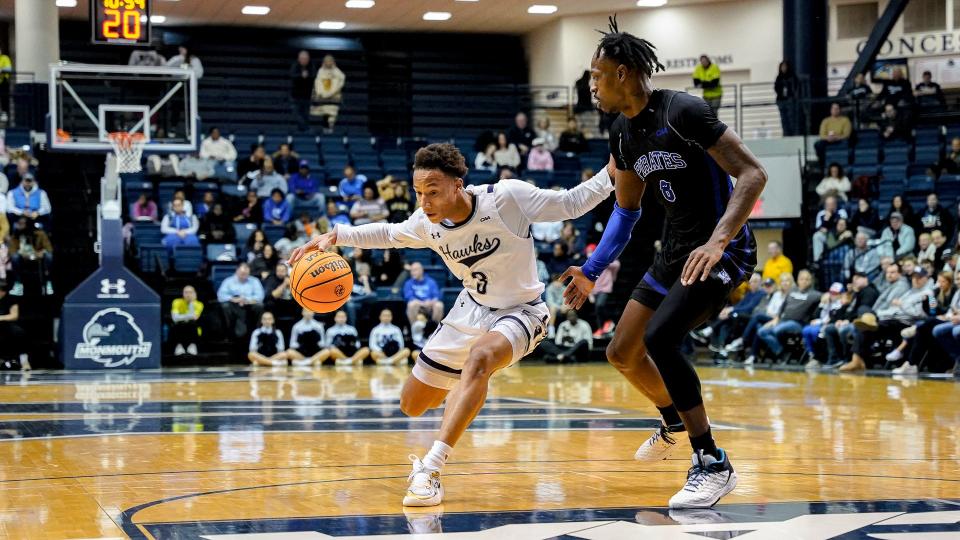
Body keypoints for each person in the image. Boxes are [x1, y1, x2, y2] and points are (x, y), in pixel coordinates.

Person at [288, 141, 614, 507]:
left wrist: (611, 171)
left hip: (522, 311)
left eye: (433, 192)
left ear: (458, 185)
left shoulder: (506, 199)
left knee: (480, 359)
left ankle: (431, 468)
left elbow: (571, 203)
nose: (424, 202)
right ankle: (465, 389)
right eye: (418, 193)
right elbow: (389, 234)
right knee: (412, 405)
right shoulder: (427, 224)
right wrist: (337, 236)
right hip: (469, 310)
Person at [562, 19, 766, 509]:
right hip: (674, 251)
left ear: (625, 73)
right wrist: (592, 271)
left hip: (723, 250)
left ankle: (712, 461)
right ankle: (674, 420)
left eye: (597, 75)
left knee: (661, 339)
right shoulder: (622, 133)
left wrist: (719, 240)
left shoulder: (684, 111)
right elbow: (626, 211)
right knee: (622, 351)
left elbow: (752, 174)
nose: (591, 85)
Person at [841, 266, 933, 371]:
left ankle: (858, 360)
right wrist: (879, 313)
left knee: (868, 321)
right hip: (892, 319)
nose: (915, 280)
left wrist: (902, 305)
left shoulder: (929, 294)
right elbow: (894, 309)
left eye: (919, 277)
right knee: (865, 326)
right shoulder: (910, 292)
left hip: (905, 323)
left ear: (926, 278)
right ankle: (857, 360)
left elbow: (925, 314)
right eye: (914, 277)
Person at [749, 269, 820, 364]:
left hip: (797, 323)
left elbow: (825, 295)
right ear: (798, 280)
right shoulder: (792, 291)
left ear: (810, 281)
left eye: (807, 279)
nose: (804, 281)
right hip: (782, 320)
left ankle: (783, 353)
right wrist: (776, 319)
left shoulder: (814, 294)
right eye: (802, 279)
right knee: (761, 331)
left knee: (776, 330)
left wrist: (826, 296)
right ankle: (781, 353)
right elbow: (782, 308)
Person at [819, 271, 880, 369]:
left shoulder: (869, 292)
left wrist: (848, 320)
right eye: (853, 280)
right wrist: (840, 320)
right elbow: (847, 310)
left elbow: (864, 311)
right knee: (829, 329)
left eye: (857, 279)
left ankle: (848, 359)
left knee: (844, 330)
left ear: (865, 279)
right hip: (849, 321)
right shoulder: (856, 293)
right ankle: (834, 359)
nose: (854, 282)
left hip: (861, 323)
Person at [217, 262, 265, 341]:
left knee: (259, 306)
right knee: (225, 306)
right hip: (233, 304)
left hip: (249, 304)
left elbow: (260, 296)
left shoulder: (255, 281)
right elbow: (221, 295)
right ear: (237, 271)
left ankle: (256, 334)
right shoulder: (228, 281)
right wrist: (234, 299)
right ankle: (229, 333)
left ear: (249, 272)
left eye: (246, 273)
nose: (244, 274)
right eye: (242, 273)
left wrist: (246, 300)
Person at [312, 55, 345, 133]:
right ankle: (325, 128)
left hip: (334, 96)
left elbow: (342, 79)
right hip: (323, 97)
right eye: (327, 61)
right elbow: (318, 82)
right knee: (325, 112)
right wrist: (320, 93)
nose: (328, 63)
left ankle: (331, 127)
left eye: (330, 61)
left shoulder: (336, 71)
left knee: (332, 113)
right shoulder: (321, 71)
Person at [812, 195, 849, 262]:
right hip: (828, 236)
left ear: (835, 204)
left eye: (831, 204)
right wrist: (826, 219)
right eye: (827, 204)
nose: (829, 206)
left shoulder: (841, 212)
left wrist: (832, 216)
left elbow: (842, 225)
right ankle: (817, 261)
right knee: (816, 236)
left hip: (839, 234)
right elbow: (819, 228)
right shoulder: (821, 213)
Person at [170, 285, 203, 356]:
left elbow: (194, 317)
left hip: (192, 328)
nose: (188, 294)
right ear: (183, 293)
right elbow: (175, 318)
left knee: (192, 323)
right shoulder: (176, 302)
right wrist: (187, 317)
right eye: (186, 292)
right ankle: (179, 346)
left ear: (195, 293)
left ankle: (192, 346)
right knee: (178, 324)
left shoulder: (199, 304)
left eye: (190, 292)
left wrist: (191, 303)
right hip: (179, 327)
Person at [0, 280, 26, 369]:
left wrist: (1, 318)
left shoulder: (11, 299)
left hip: (8, 325)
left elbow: (14, 315)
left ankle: (24, 361)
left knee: (18, 332)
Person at [290, 50, 316, 132]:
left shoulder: (311, 66)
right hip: (296, 95)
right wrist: (301, 76)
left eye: (306, 58)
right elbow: (293, 76)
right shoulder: (295, 66)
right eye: (302, 58)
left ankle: (306, 128)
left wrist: (307, 77)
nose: (304, 60)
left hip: (307, 95)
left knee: (306, 113)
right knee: (297, 113)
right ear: (299, 59)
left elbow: (314, 76)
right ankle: (301, 127)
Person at [774, 61, 799, 136]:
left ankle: (792, 134)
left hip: (790, 100)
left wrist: (793, 96)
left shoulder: (792, 76)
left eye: (785, 66)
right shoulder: (779, 77)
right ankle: (786, 134)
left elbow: (795, 87)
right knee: (783, 119)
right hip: (781, 100)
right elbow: (776, 88)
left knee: (791, 118)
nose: (783, 68)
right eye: (782, 67)